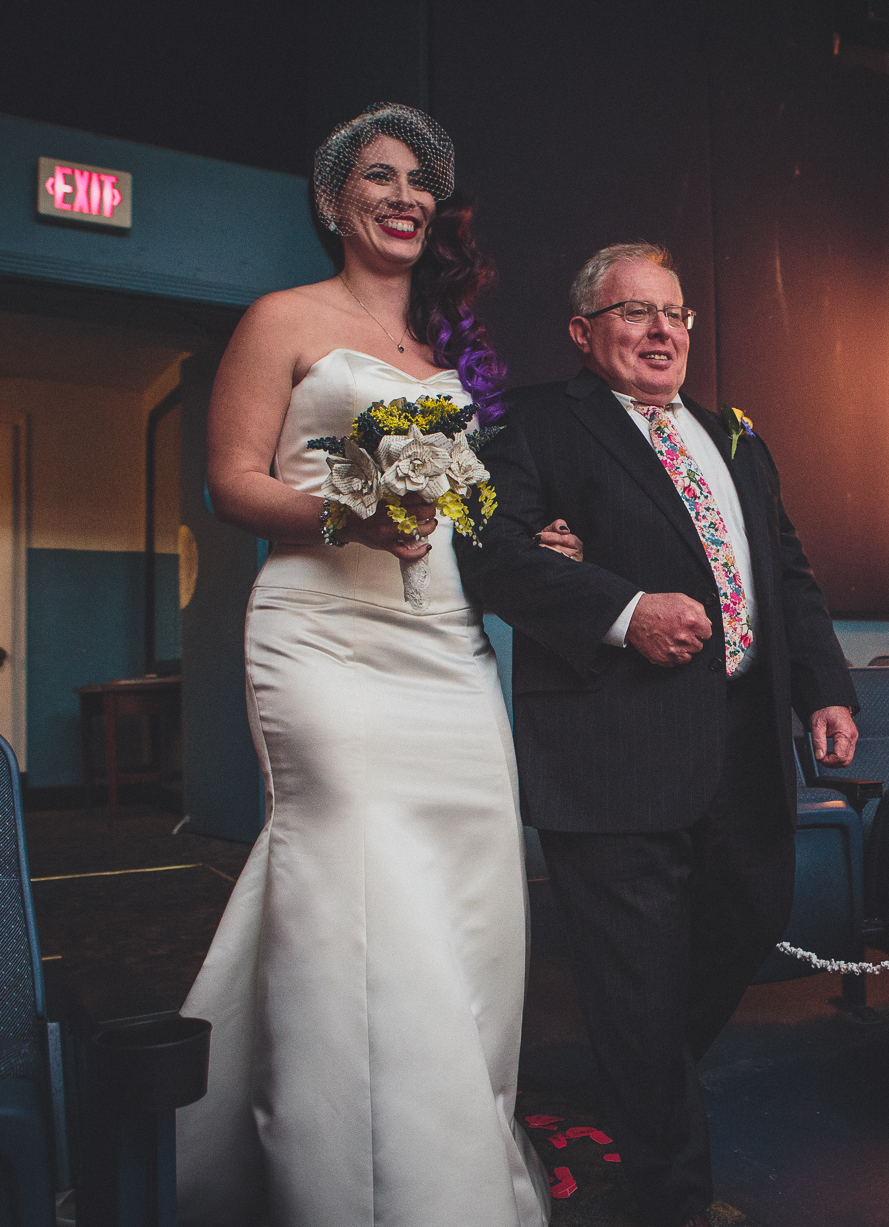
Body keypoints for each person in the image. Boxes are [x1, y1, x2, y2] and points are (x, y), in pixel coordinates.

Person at [175, 103, 569, 1227]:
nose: (404, 197)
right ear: (334, 201)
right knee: (351, 868)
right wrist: (345, 513)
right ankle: (350, 1185)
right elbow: (232, 483)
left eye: (420, 183)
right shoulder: (283, 318)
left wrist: (530, 538)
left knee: (467, 894)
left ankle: (448, 1147)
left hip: (447, 651)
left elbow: (468, 509)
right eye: (380, 178)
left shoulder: (451, 355)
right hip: (323, 641)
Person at [455, 243, 861, 1227]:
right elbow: (487, 552)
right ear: (581, 332)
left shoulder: (732, 436)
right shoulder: (533, 422)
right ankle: (673, 1200)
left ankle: (636, 1089)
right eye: (633, 311)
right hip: (611, 749)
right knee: (635, 991)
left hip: (743, 745)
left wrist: (825, 690)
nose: (660, 331)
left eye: (674, 313)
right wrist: (622, 609)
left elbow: (788, 574)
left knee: (750, 921)